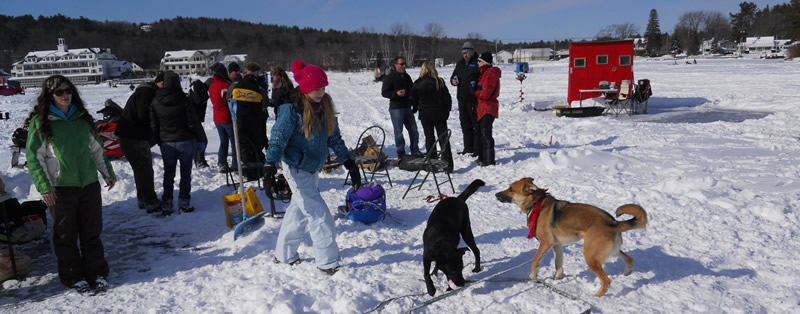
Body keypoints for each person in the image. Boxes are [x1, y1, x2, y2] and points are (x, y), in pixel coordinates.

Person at [266, 60, 361, 275]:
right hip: (296, 168)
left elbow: (334, 138)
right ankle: (328, 262)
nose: (321, 92)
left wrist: (350, 163)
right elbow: (277, 140)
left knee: (298, 212)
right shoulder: (291, 110)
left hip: (312, 168)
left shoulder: (325, 106)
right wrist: (269, 166)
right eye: (316, 89)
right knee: (319, 214)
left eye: (323, 87)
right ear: (305, 88)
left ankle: (284, 254)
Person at [24, 75, 116, 294]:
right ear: (50, 96)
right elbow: (34, 158)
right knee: (66, 235)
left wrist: (107, 173)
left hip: (88, 184)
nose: (65, 95)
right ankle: (73, 276)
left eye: (68, 91)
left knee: (91, 231)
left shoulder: (82, 117)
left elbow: (96, 149)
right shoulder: (41, 122)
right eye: (59, 92)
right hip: (61, 187)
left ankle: (97, 273)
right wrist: (45, 187)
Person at [150, 71, 205, 214]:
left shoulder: (156, 100)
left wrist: (158, 139)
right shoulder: (184, 99)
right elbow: (192, 122)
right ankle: (184, 201)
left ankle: (167, 201)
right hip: (185, 140)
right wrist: (200, 138)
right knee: (186, 172)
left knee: (169, 173)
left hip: (166, 141)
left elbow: (154, 123)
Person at [116, 72, 164, 213]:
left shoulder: (146, 91)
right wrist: (154, 129)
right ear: (158, 83)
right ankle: (150, 201)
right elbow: (144, 115)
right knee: (145, 169)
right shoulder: (146, 93)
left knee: (140, 169)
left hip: (130, 135)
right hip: (133, 136)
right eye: (163, 84)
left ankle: (143, 198)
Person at [409, 61, 453, 173]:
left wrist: (415, 108)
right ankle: (448, 165)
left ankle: (432, 164)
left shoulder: (418, 83)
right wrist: (447, 111)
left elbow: (412, 99)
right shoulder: (439, 82)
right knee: (444, 139)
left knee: (430, 139)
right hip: (440, 114)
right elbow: (447, 98)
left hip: (425, 115)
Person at [228, 62, 269, 164]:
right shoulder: (259, 87)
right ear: (256, 73)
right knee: (256, 145)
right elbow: (265, 104)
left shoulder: (235, 85)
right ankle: (257, 167)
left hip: (240, 120)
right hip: (256, 120)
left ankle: (246, 167)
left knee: (243, 145)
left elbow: (228, 98)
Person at [381, 56, 421, 157]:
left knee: (414, 130)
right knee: (399, 132)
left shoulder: (407, 77)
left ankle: (415, 150)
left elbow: (412, 91)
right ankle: (401, 152)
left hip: (407, 107)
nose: (404, 66)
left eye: (404, 64)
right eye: (402, 64)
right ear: (396, 65)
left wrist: (414, 103)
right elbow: (384, 92)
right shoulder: (389, 77)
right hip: (396, 108)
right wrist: (396, 94)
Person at [450, 41, 482, 157]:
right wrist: (453, 81)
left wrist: (476, 84)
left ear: (473, 52)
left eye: (468, 52)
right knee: (464, 123)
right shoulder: (460, 64)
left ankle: (476, 149)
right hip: (461, 98)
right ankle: (467, 148)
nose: (466, 55)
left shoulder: (477, 63)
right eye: (463, 52)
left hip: (473, 99)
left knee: (475, 124)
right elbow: (453, 77)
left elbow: (482, 78)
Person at [208, 62, 237, 173]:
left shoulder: (212, 86)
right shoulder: (226, 86)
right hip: (227, 117)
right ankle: (235, 164)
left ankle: (222, 163)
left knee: (223, 141)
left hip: (217, 117)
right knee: (234, 142)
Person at [474, 52, 501, 166]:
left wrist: (475, 91)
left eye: (479, 61)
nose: (477, 63)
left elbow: (485, 93)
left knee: (486, 134)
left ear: (485, 62)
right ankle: (482, 157)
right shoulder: (483, 73)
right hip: (482, 108)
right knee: (481, 133)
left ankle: (489, 160)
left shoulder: (490, 74)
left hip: (488, 108)